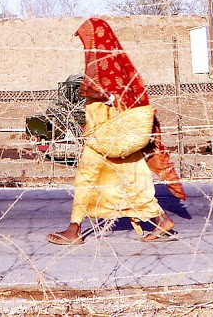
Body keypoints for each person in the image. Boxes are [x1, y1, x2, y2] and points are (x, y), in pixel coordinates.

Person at [46, 18, 186, 245]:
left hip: (108, 136)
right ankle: (162, 220)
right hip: (110, 136)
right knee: (131, 183)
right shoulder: (109, 63)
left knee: (88, 178)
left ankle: (74, 229)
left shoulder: (107, 64)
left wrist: (106, 96)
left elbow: (117, 94)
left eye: (87, 40)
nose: (86, 46)